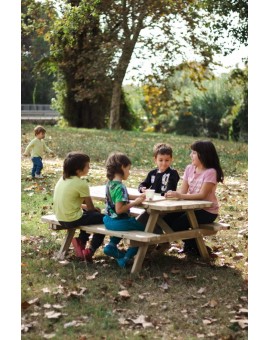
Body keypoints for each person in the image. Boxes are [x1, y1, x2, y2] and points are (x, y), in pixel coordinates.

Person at [164, 140, 224, 256]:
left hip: (207, 211)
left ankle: (197, 247)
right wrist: (173, 194)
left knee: (178, 225)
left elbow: (202, 195)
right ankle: (192, 246)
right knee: (166, 219)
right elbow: (183, 191)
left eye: (194, 153)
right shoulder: (189, 168)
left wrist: (180, 196)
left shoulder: (211, 172)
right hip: (190, 207)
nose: (191, 155)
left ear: (203, 155)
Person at [53, 151, 105, 262]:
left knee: (90, 216)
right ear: (78, 170)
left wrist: (88, 209)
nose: (89, 168)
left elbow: (71, 202)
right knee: (104, 219)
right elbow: (90, 208)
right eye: (87, 166)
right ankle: (90, 250)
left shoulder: (62, 180)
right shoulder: (81, 184)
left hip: (60, 217)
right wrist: (95, 210)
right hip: (72, 219)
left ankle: (81, 241)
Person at [103, 152, 146, 268]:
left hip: (108, 220)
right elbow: (119, 209)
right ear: (122, 167)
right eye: (128, 169)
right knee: (145, 231)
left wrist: (137, 197)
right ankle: (126, 258)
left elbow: (121, 197)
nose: (129, 172)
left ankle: (111, 246)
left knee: (127, 226)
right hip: (119, 222)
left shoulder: (110, 183)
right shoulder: (120, 187)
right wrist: (135, 203)